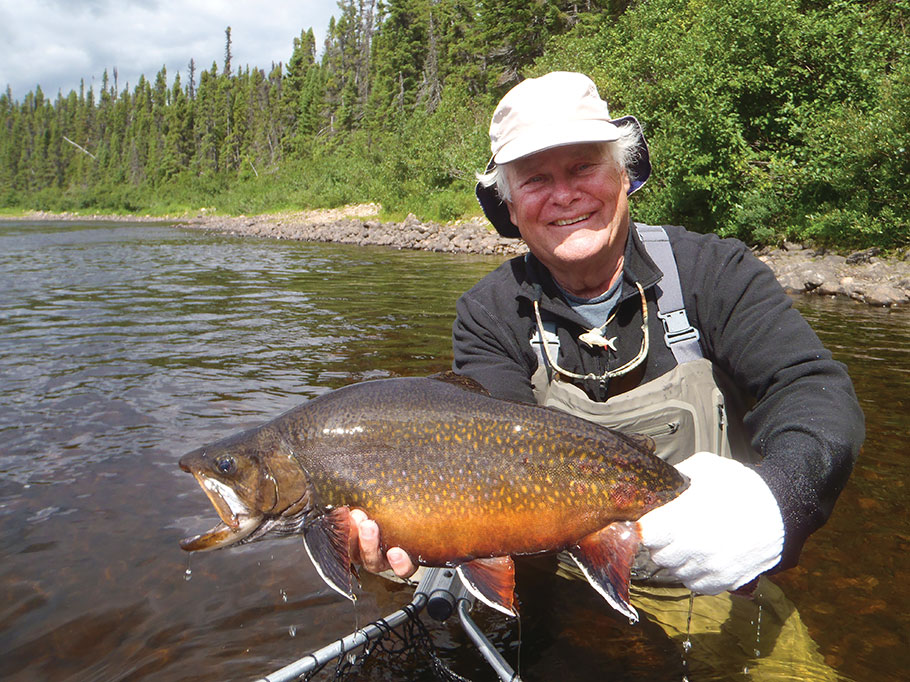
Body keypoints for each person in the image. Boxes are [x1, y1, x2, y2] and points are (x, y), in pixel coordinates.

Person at [349, 71, 865, 675]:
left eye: (583, 167)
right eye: (536, 179)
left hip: (721, 575)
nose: (563, 194)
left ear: (625, 175)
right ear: (509, 206)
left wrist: (778, 500)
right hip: (565, 583)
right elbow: (484, 452)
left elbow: (813, 391)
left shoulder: (714, 271)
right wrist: (422, 524)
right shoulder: (489, 314)